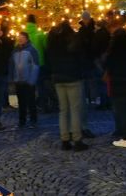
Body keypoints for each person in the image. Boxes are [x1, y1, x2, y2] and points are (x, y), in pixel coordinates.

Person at [46, 20, 88, 151]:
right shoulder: (73, 40)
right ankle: (77, 139)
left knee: (63, 110)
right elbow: (81, 57)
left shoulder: (52, 41)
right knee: (75, 109)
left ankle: (64, 139)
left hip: (58, 78)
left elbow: (48, 59)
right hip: (72, 77)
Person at [10, 32, 40, 129]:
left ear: (27, 39)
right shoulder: (15, 51)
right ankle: (22, 121)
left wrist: (32, 80)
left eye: (22, 37)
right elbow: (12, 65)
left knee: (31, 102)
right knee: (21, 102)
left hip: (28, 81)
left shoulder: (32, 50)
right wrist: (13, 78)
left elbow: (35, 66)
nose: (20, 39)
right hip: (18, 80)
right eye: (19, 37)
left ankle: (33, 120)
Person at [24, 15, 51, 112]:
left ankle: (29, 107)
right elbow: (46, 47)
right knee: (41, 86)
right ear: (35, 22)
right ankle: (43, 105)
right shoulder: (40, 34)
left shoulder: (22, 34)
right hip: (39, 63)